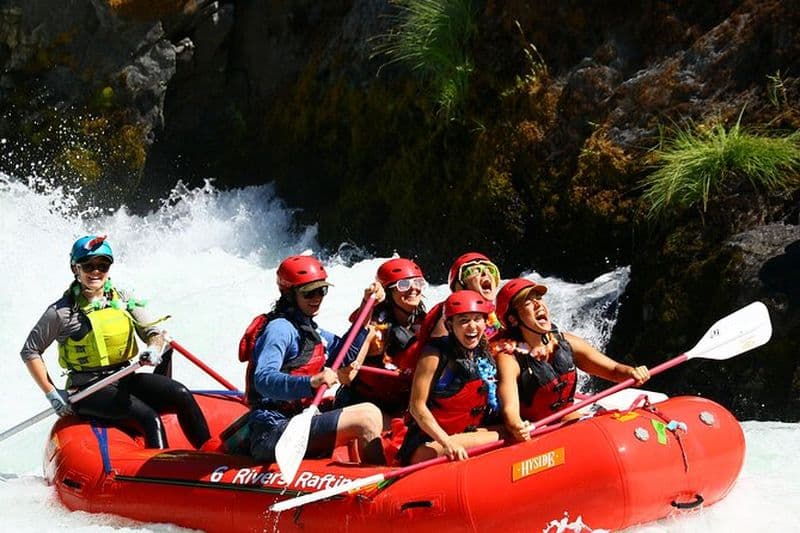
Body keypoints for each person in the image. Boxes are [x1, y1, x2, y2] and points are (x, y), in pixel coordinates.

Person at [20, 235, 211, 449]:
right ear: (75, 268)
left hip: (124, 378)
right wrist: (51, 393)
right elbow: (30, 350)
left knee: (181, 394)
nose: (96, 271)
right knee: (149, 418)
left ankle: (213, 454)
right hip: (87, 390)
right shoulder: (61, 312)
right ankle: (160, 473)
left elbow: (152, 332)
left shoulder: (122, 298)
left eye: (103, 265)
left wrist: (153, 349)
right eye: (88, 265)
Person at [242, 254, 386, 465]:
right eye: (309, 292)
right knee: (367, 416)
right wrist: (310, 382)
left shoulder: (309, 329)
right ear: (289, 294)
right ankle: (378, 483)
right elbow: (263, 380)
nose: (317, 297)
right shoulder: (280, 330)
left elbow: (344, 355)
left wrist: (367, 307)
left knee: (361, 404)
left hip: (298, 418)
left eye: (322, 290)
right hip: (271, 429)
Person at [491, 278, 651, 442]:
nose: (538, 305)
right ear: (513, 319)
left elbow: (614, 370)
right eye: (527, 302)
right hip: (536, 430)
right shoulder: (509, 359)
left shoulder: (566, 342)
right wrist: (517, 425)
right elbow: (510, 410)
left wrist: (632, 372)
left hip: (567, 417)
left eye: (538, 298)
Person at [397, 290, 502, 465]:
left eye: (477, 319)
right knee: (504, 435)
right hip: (431, 444)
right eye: (463, 321)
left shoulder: (484, 352)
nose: (472, 326)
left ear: (485, 322)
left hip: (465, 434)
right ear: (449, 325)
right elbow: (417, 407)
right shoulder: (433, 355)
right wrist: (447, 442)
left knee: (510, 430)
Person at [335, 257, 428, 415]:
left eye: (418, 282)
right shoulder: (373, 329)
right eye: (403, 285)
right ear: (389, 292)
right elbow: (346, 377)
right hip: (365, 406)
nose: (413, 289)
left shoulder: (424, 322)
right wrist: (347, 367)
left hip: (400, 404)